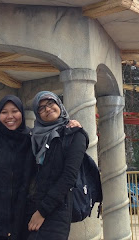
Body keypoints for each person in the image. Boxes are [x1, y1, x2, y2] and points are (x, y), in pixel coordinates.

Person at [27, 91, 88, 240]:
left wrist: (42, 211)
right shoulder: (34, 137)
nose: (47, 109)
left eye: (50, 103)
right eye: (41, 108)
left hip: (56, 210)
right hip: (31, 206)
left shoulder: (74, 134)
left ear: (59, 104)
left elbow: (69, 177)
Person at [0, 95, 35, 240]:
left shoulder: (32, 138)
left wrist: (71, 126)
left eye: (14, 111)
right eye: (4, 112)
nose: (10, 116)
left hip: (25, 220)